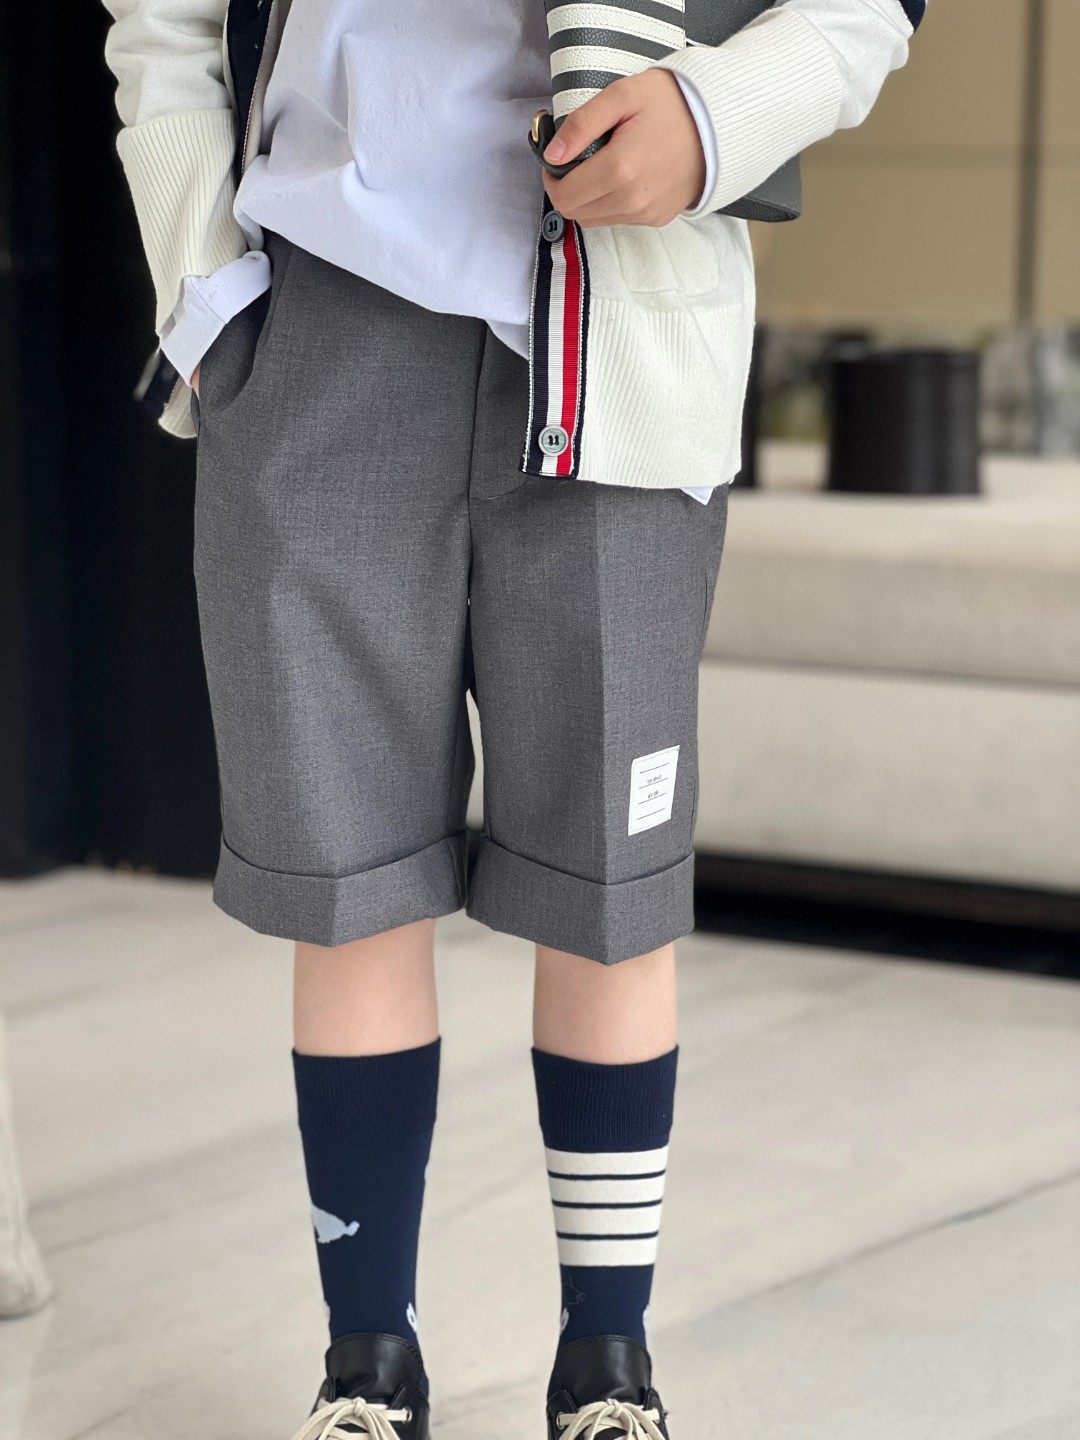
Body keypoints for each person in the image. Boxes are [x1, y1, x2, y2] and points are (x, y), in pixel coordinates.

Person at [98, 1, 926, 1435]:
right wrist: (205, 297)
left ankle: (608, 1367)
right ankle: (369, 1368)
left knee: (611, 894)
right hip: (317, 322)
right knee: (347, 892)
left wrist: (717, 118)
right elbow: (159, 18)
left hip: (625, 322)